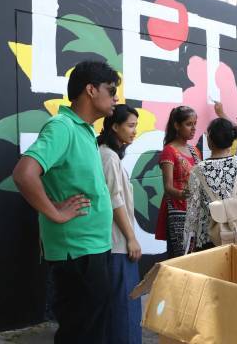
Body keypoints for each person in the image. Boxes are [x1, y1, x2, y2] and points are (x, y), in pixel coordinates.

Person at [12, 60, 119, 344]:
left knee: (91, 328)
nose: (116, 98)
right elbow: (24, 174)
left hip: (92, 248)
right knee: (81, 332)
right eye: (111, 90)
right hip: (77, 252)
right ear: (91, 90)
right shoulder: (62, 127)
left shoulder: (84, 130)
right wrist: (55, 213)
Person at [98, 104, 142, 343]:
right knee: (124, 308)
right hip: (117, 244)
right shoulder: (108, 156)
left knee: (119, 306)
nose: (135, 131)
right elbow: (115, 200)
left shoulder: (108, 154)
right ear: (114, 127)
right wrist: (132, 238)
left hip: (116, 242)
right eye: (130, 125)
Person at [183, 118, 237, 253]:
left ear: (209, 140)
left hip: (210, 237)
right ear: (231, 139)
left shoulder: (198, 170)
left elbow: (193, 212)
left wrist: (187, 244)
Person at [156, 106, 201, 258]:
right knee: (181, 259)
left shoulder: (194, 150)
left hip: (195, 213)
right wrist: (185, 195)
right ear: (176, 125)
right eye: (189, 124)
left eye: (195, 123)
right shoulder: (169, 150)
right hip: (178, 212)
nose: (194, 128)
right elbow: (168, 187)